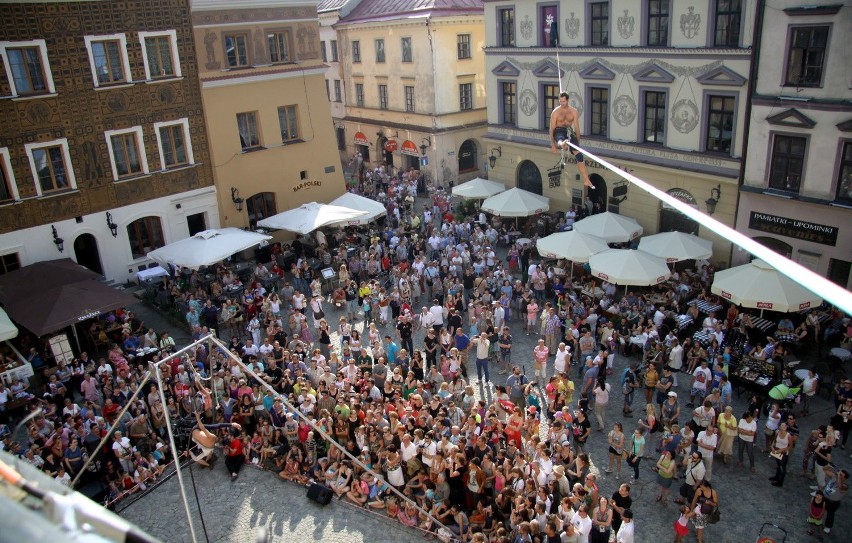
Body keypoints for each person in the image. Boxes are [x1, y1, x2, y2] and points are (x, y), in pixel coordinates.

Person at [549, 91, 595, 189]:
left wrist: (577, 143)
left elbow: (577, 128)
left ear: (567, 100)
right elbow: (552, 129)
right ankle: (563, 144)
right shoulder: (556, 112)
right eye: (560, 101)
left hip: (569, 132)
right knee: (561, 139)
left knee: (579, 156)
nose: (562, 103)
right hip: (559, 131)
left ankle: (586, 179)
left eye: (563, 101)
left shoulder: (573, 111)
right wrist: (552, 145)